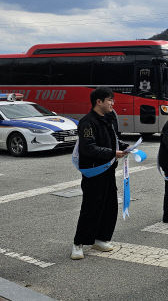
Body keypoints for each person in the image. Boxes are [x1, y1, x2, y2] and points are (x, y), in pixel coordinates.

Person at [71, 87, 129, 260]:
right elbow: (88, 148)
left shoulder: (109, 119)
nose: (112, 103)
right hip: (94, 172)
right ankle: (78, 243)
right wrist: (112, 152)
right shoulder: (87, 122)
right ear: (99, 102)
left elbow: (114, 139)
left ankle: (100, 238)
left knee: (109, 206)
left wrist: (124, 147)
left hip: (109, 170)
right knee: (90, 207)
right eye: (109, 100)